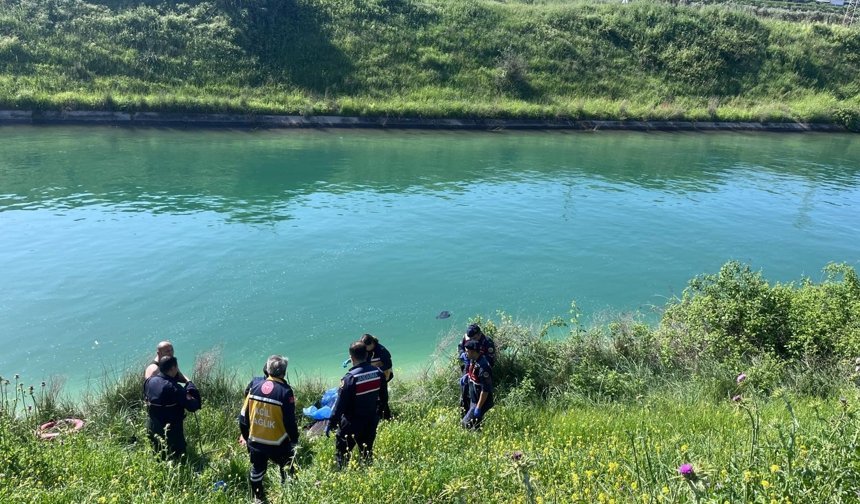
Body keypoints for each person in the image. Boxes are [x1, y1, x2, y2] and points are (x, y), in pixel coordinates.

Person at [239, 355, 299, 503]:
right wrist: (294, 439)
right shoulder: (285, 391)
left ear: (268, 369)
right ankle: (288, 493)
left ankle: (258, 497)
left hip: (256, 439)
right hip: (278, 441)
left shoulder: (254, 387)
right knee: (287, 467)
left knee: (257, 470)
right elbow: (290, 421)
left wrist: (247, 438)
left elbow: (242, 417)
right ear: (284, 372)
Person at [327, 341, 389, 469]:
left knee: (343, 453)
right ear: (367, 355)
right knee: (366, 452)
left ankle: (342, 474)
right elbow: (384, 398)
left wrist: (331, 423)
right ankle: (368, 474)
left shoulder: (350, 379)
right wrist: (378, 414)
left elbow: (340, 406)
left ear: (351, 358)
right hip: (371, 420)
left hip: (351, 422)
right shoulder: (378, 373)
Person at [143, 356, 201, 459]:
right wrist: (189, 383)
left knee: (159, 456)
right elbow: (193, 406)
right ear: (174, 368)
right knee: (179, 458)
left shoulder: (150, 381)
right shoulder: (173, 388)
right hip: (171, 431)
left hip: (152, 426)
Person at [457, 324, 495, 414]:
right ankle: (464, 414)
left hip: (479, 370)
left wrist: (477, 361)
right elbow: (460, 347)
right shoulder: (467, 337)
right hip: (467, 368)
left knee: (476, 395)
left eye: (474, 338)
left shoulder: (487, 342)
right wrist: (462, 354)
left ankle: (475, 417)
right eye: (470, 338)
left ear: (479, 334)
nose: (471, 340)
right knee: (464, 392)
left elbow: (490, 360)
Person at [461, 339, 493, 430]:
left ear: (472, 351)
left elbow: (485, 390)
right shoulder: (474, 360)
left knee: (465, 423)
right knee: (476, 425)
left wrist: (478, 407)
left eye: (467, 351)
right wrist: (468, 376)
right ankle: (477, 439)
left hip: (481, 401)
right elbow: (474, 375)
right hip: (474, 399)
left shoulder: (483, 368)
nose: (466, 353)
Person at [360, 333, 393, 420]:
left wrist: (377, 371)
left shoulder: (381, 350)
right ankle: (377, 416)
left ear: (372, 343)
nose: (365, 349)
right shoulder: (366, 349)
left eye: (366, 347)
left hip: (384, 375)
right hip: (372, 376)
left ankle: (386, 417)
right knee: (373, 396)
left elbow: (388, 364)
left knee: (381, 397)